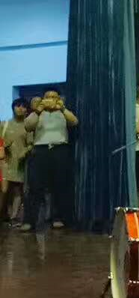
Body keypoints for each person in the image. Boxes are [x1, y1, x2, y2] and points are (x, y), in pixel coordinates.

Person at [23, 88, 78, 231]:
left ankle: (57, 218)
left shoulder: (63, 112)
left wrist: (63, 108)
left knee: (59, 185)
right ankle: (29, 221)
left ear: (59, 99)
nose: (51, 99)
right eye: (48, 96)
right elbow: (27, 126)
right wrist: (38, 110)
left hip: (60, 149)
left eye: (54, 97)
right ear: (43, 98)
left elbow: (74, 122)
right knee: (34, 187)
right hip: (40, 150)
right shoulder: (38, 112)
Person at [0, 99, 31, 226]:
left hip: (20, 162)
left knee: (18, 190)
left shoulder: (28, 126)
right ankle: (3, 214)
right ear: (13, 108)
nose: (20, 108)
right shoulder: (4, 124)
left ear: (27, 110)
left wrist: (25, 151)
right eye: (18, 106)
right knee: (4, 190)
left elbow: (31, 144)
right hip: (4, 162)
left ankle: (13, 217)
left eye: (24, 106)